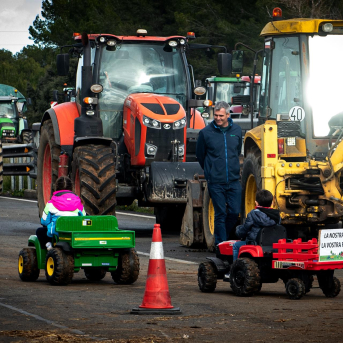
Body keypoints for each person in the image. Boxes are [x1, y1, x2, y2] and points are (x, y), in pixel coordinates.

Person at [196, 101, 242, 246]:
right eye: (215, 115)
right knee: (220, 214)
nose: (218, 118)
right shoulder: (205, 133)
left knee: (234, 212)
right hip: (215, 181)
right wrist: (211, 171)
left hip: (234, 180)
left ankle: (224, 238)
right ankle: (220, 246)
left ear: (228, 115)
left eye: (221, 115)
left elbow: (237, 151)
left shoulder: (237, 131)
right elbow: (200, 155)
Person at [36, 176, 86, 248]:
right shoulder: (79, 202)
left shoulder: (51, 203)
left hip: (57, 234)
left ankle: (49, 246)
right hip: (74, 234)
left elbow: (44, 221)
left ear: (56, 187)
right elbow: (83, 218)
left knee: (39, 231)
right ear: (71, 187)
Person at [233, 189, 281, 261]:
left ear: (256, 203)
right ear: (272, 203)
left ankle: (235, 267)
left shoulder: (253, 214)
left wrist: (238, 230)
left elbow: (244, 230)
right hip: (272, 244)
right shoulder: (277, 216)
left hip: (255, 243)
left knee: (236, 246)